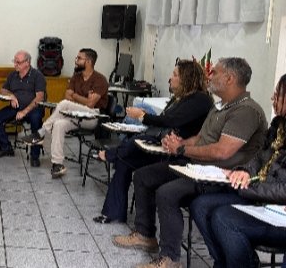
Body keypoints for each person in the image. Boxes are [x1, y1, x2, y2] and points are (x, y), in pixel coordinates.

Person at [113, 57, 269, 268]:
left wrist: (182, 149)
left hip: (221, 176)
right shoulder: (219, 106)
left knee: (167, 193)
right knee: (143, 176)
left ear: (230, 78)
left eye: (215, 72)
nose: (209, 76)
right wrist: (178, 143)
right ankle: (145, 234)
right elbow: (200, 138)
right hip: (198, 167)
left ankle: (169, 258)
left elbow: (222, 152)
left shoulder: (246, 111)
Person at [93, 59, 212, 224]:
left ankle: (111, 154)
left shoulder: (200, 99)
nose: (170, 78)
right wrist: (147, 118)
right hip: (163, 147)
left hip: (181, 154)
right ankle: (114, 212)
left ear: (186, 78)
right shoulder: (179, 98)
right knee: (124, 160)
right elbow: (165, 120)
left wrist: (142, 116)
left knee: (135, 142)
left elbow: (170, 120)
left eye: (175, 75)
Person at [190, 73, 286, 268]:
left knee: (223, 218)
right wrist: (244, 171)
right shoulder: (278, 126)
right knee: (200, 206)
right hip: (259, 197)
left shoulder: (249, 110)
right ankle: (225, 263)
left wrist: (247, 186)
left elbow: (282, 189)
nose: (272, 98)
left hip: (277, 208)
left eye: (278, 95)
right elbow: (259, 157)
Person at [28, 48, 109, 178]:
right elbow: (67, 95)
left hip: (92, 117)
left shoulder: (100, 79)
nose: (76, 60)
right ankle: (57, 164)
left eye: (79, 58)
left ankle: (41, 133)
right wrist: (83, 99)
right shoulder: (76, 77)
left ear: (88, 61)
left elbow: (90, 104)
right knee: (59, 124)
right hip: (74, 115)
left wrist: (75, 95)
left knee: (65, 104)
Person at [0, 50, 46, 167]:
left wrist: (24, 111)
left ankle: (35, 156)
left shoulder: (37, 76)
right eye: (14, 61)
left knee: (36, 120)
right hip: (16, 107)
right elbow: (3, 90)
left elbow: (39, 97)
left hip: (33, 108)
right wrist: (11, 96)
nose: (15, 64)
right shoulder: (13, 75)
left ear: (27, 62)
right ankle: (6, 147)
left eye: (18, 62)